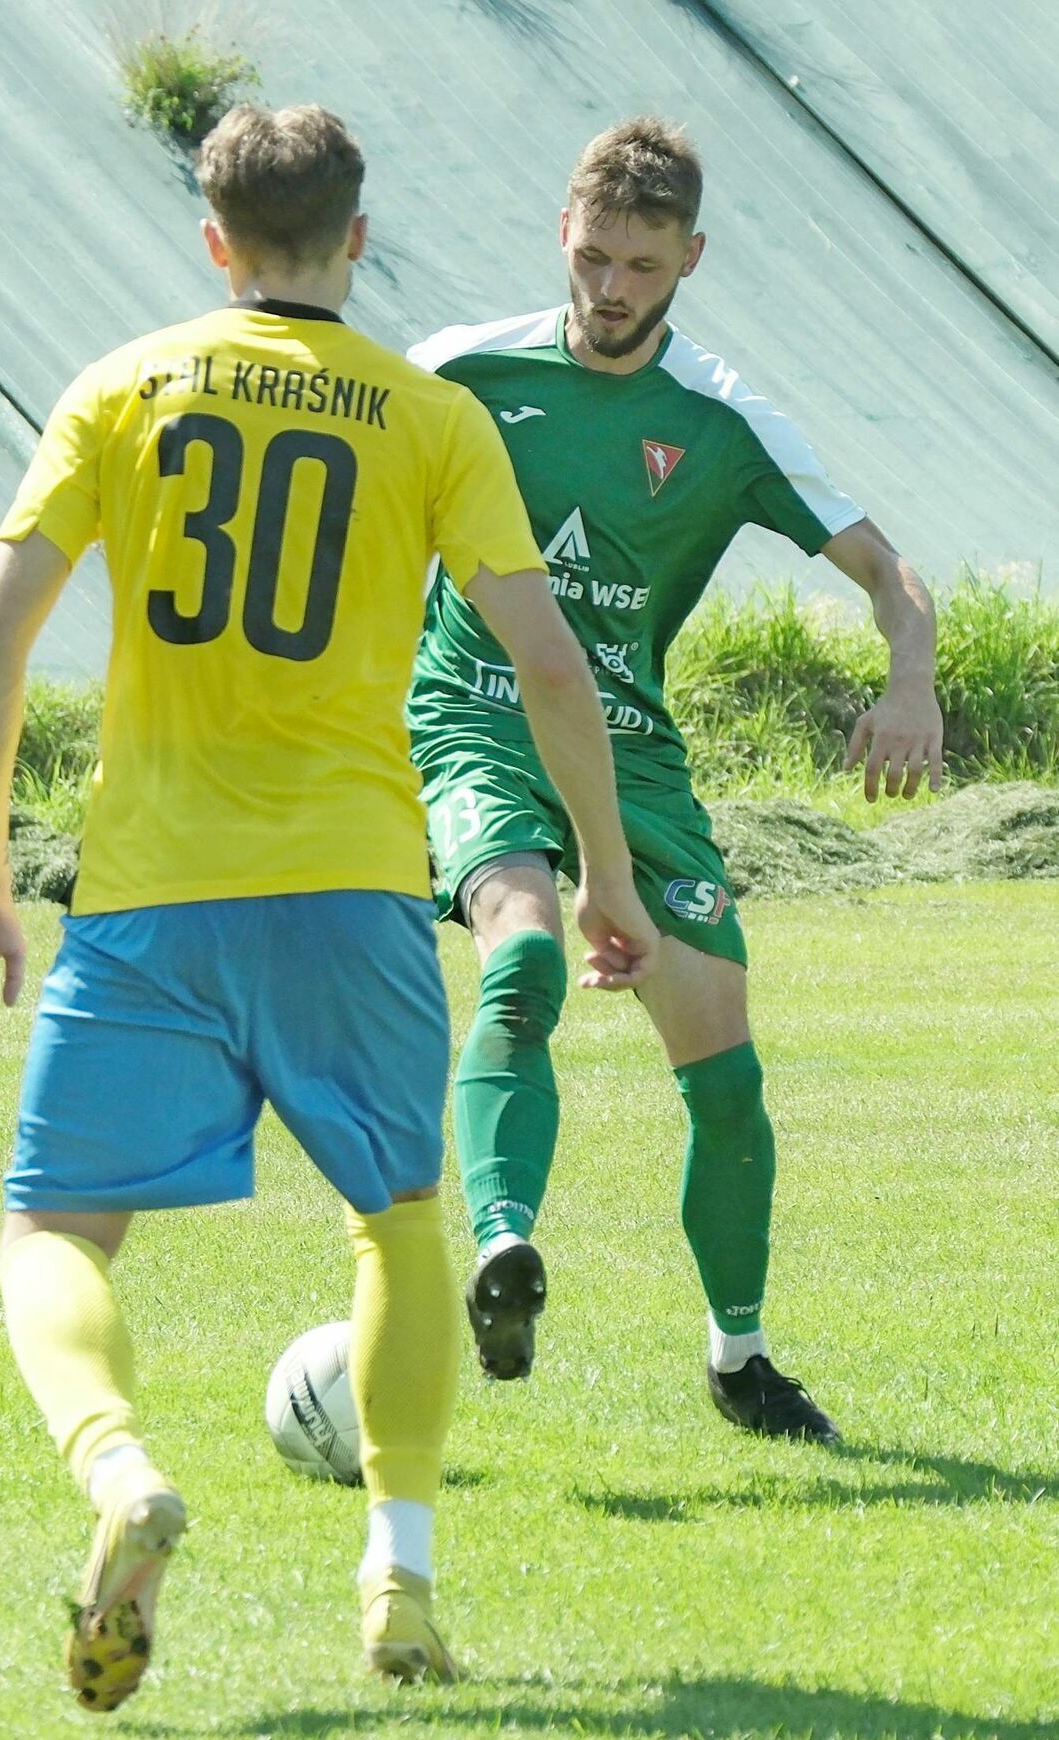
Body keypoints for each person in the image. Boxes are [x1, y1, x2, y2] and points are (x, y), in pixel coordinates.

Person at [0, 103, 658, 1709]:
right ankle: (398, 1574)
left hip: (150, 895)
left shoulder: (122, 386)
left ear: (212, 240)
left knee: (54, 1227)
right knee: (396, 1222)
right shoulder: (427, 415)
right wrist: (601, 870)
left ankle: (121, 1479)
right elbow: (544, 662)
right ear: (359, 238)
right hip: (352, 887)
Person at [407, 116, 944, 1436]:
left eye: (642, 267)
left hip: (635, 758)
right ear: (563, 236)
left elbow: (891, 575)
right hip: (476, 719)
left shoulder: (722, 419)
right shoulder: (456, 372)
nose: (610, 290)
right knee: (523, 954)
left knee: (725, 1071)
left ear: (690, 258)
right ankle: (502, 1252)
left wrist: (912, 677)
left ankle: (739, 1359)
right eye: (594, 258)